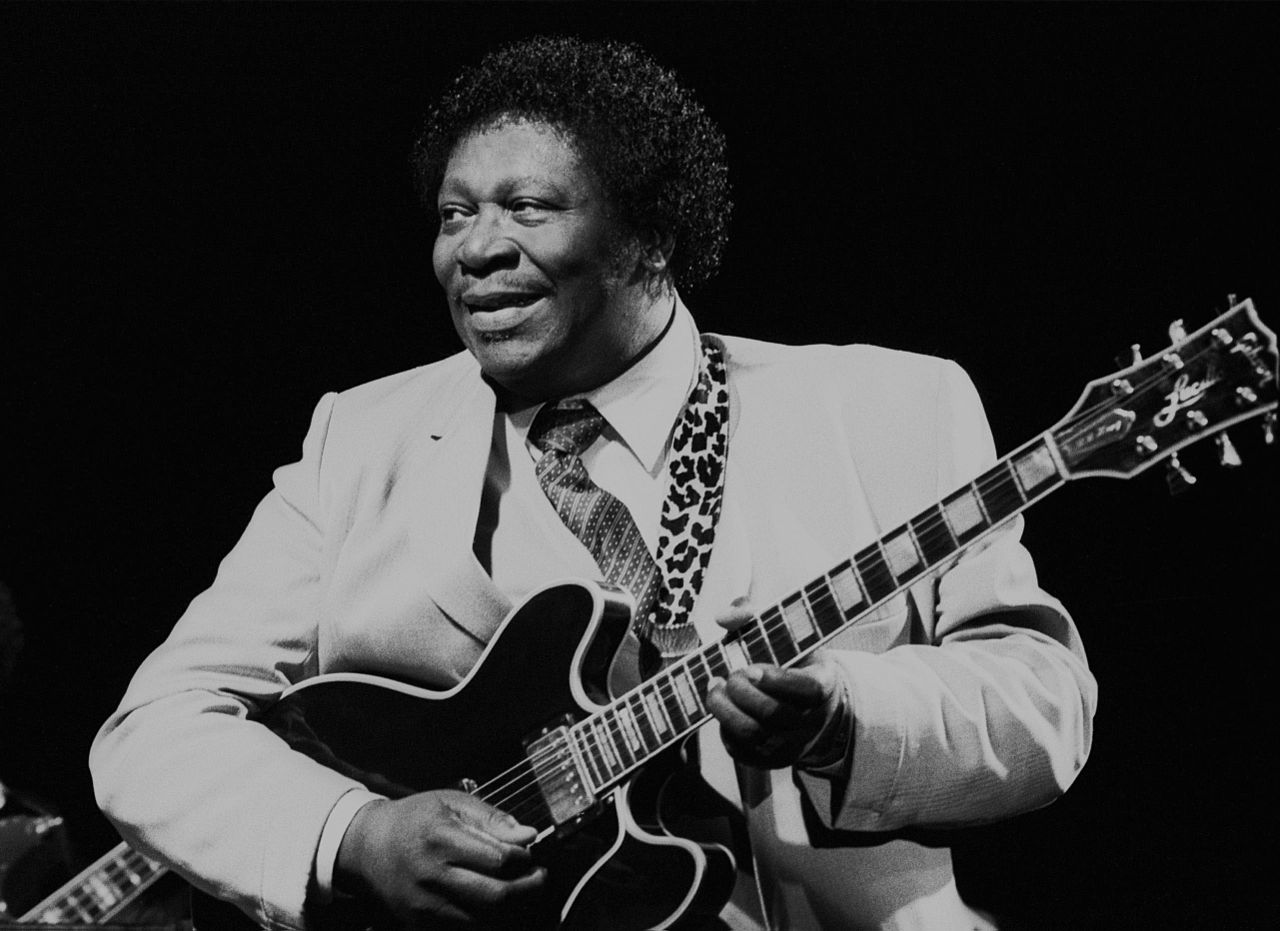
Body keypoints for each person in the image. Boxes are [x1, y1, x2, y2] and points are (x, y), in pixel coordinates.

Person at [89, 36, 1096, 931]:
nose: (475, 249)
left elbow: (1041, 706)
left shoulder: (891, 408)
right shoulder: (360, 437)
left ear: (649, 233)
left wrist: (845, 714)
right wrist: (354, 835)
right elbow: (154, 733)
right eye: (453, 214)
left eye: (526, 207)